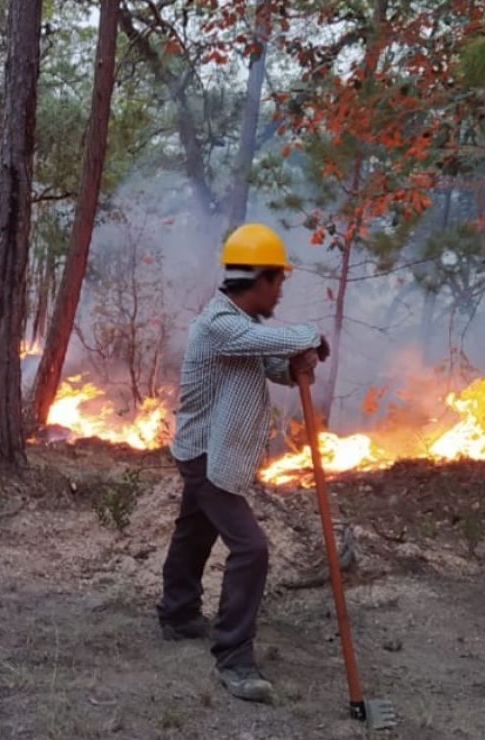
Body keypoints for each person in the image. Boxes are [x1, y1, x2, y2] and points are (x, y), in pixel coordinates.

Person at [159, 223, 329, 704]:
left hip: (215, 447)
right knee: (251, 548)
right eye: (279, 282)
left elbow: (268, 364)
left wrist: (297, 366)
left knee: (194, 530)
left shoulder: (246, 329)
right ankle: (234, 657)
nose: (279, 292)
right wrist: (310, 337)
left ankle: (177, 613)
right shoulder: (218, 325)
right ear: (260, 279)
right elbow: (259, 344)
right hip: (206, 453)